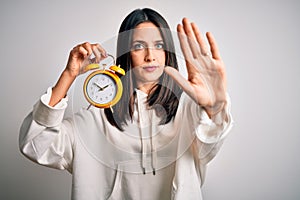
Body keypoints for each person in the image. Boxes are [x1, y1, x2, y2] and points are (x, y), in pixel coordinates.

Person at [19, 8, 233, 200]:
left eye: (158, 45)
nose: (150, 56)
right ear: (125, 54)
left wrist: (213, 107)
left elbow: (210, 144)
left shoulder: (189, 111)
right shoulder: (94, 120)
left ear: (167, 53)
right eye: (139, 46)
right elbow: (35, 143)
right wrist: (69, 74)